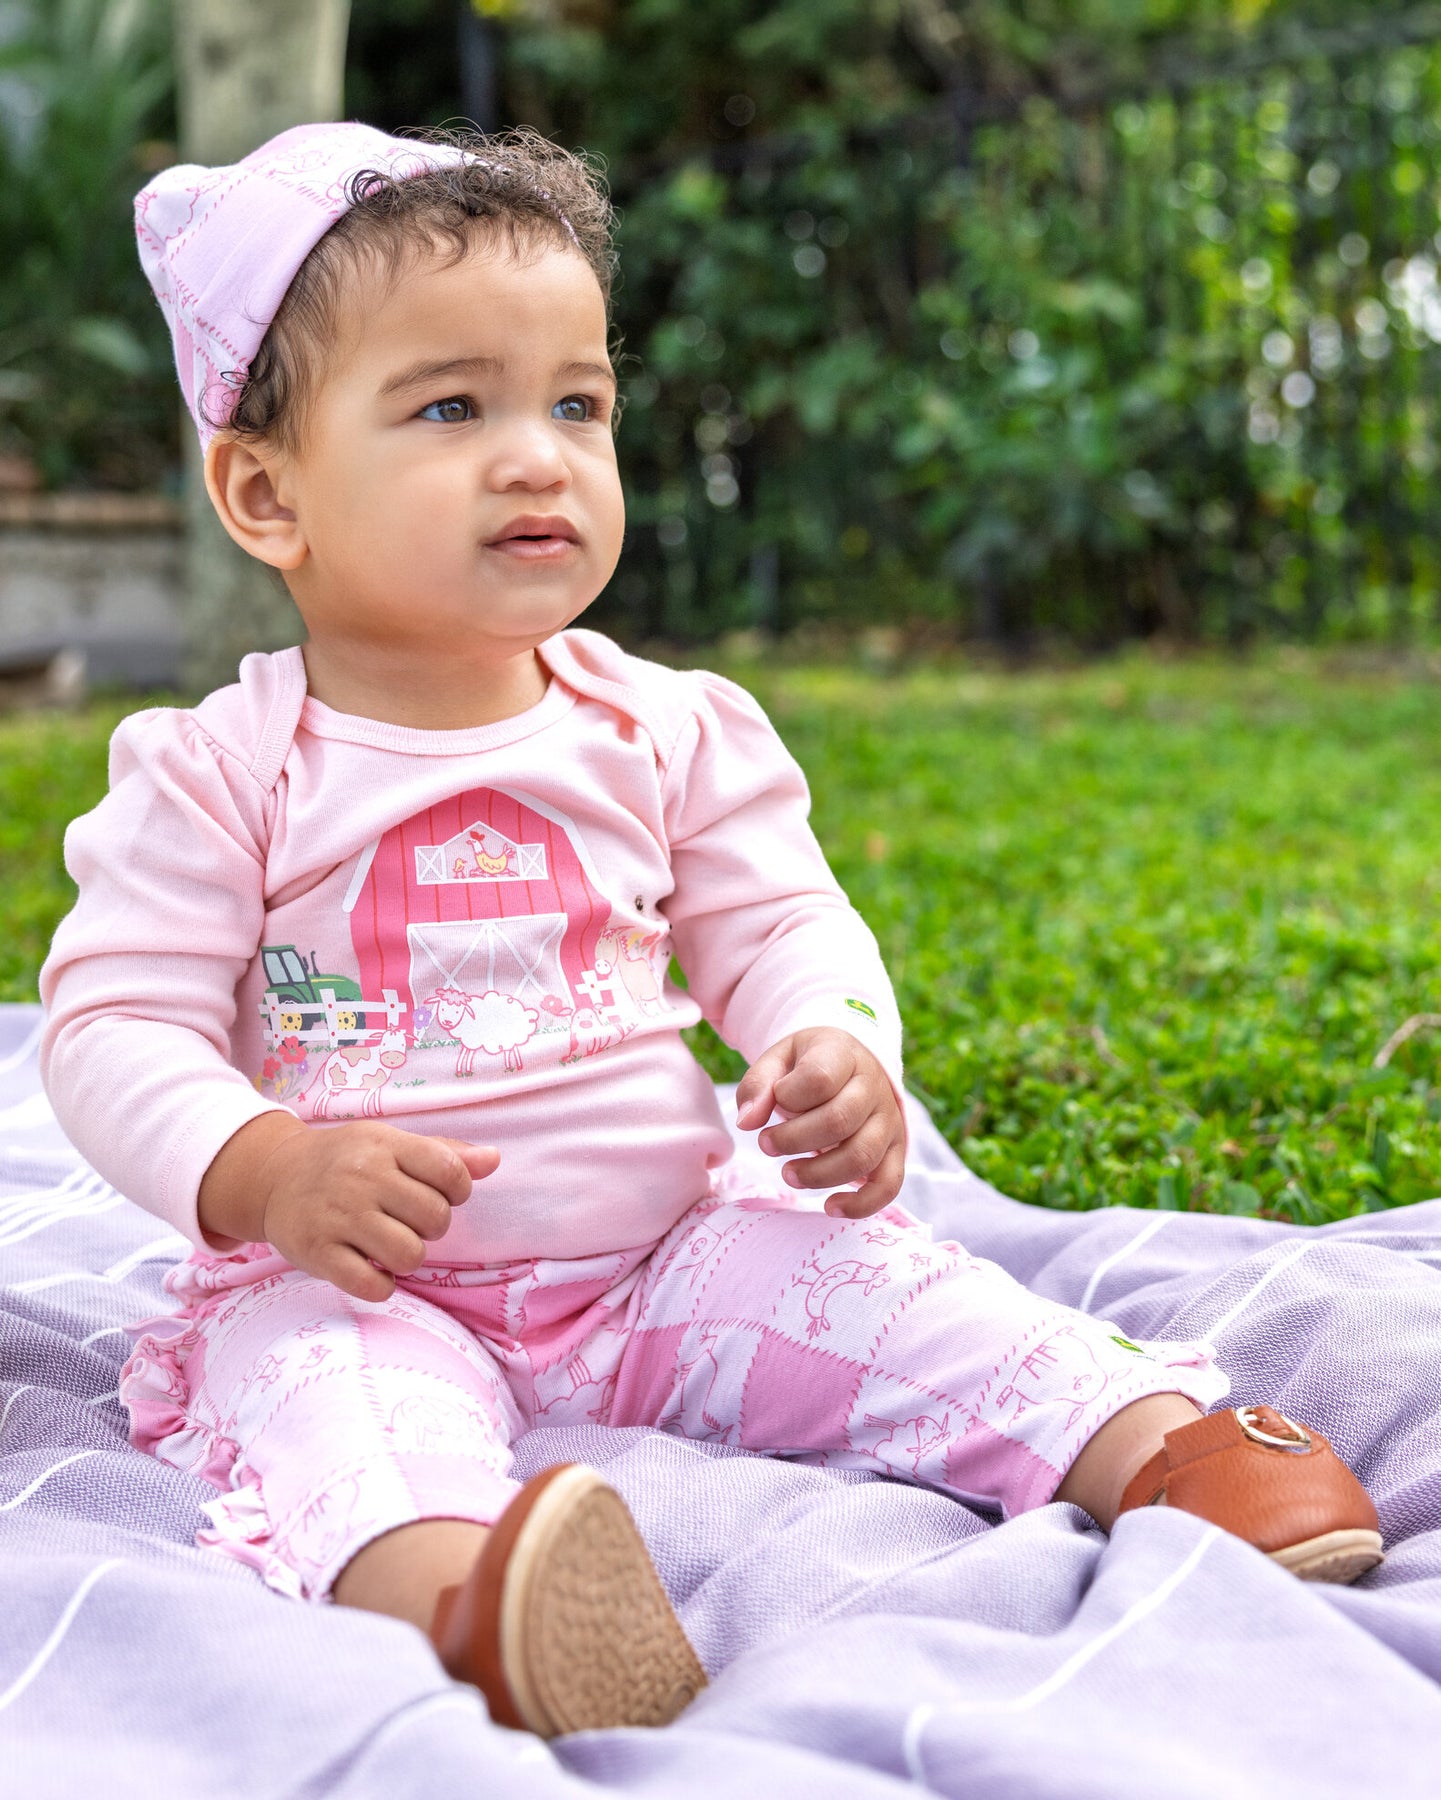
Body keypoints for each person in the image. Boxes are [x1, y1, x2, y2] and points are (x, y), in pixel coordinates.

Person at [39, 123, 1382, 1740]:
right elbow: (114, 1026)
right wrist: (265, 1170)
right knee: (333, 1413)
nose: (537, 458)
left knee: (889, 1294)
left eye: (576, 405)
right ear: (269, 493)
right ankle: (475, 1607)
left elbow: (782, 920)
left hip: (665, 1250)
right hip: (367, 1277)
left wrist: (832, 1039)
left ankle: (1149, 1438)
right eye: (452, 408)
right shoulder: (224, 768)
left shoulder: (662, 728)